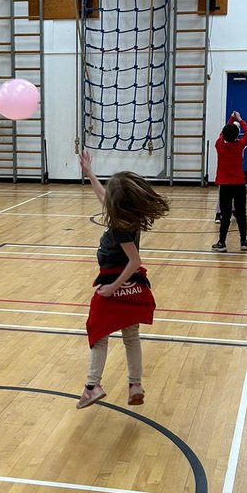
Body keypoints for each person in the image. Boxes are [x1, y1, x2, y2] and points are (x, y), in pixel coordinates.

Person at [76, 149, 170, 409]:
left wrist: (112, 289)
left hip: (114, 280)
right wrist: (90, 173)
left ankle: (92, 386)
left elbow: (134, 261)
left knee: (98, 333)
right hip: (132, 284)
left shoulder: (120, 227)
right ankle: (135, 384)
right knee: (131, 336)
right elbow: (103, 196)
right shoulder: (126, 215)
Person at [211, 111, 247, 253]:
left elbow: (222, 134)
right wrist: (240, 119)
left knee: (225, 215)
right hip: (239, 184)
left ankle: (222, 242)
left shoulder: (219, 145)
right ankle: (243, 241)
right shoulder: (239, 145)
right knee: (241, 213)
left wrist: (231, 118)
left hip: (225, 185)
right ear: (236, 135)